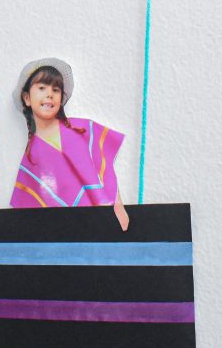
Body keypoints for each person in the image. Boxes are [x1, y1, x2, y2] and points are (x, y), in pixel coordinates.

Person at [8, 58, 130, 231]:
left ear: (61, 98)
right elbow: (31, 213)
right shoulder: (31, 157)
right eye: (42, 88)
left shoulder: (82, 128)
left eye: (55, 89)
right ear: (27, 98)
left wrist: (118, 206)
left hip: (103, 220)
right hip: (67, 231)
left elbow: (106, 171)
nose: (49, 94)